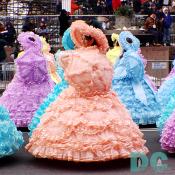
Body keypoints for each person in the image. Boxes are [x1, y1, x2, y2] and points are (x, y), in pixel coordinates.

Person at [26, 20, 148, 161]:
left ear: (92, 40)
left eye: (87, 38)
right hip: (87, 94)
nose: (84, 40)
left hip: (88, 95)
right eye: (84, 37)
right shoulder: (88, 56)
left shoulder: (83, 57)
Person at [0, 32, 54, 127]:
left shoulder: (23, 56)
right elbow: (45, 74)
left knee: (19, 104)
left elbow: (20, 74)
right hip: (40, 86)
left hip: (23, 84)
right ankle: (38, 119)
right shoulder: (41, 58)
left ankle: (22, 120)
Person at [112, 31, 160, 125]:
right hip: (126, 81)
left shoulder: (128, 55)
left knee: (130, 101)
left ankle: (135, 119)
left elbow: (132, 71)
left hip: (127, 82)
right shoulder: (127, 55)